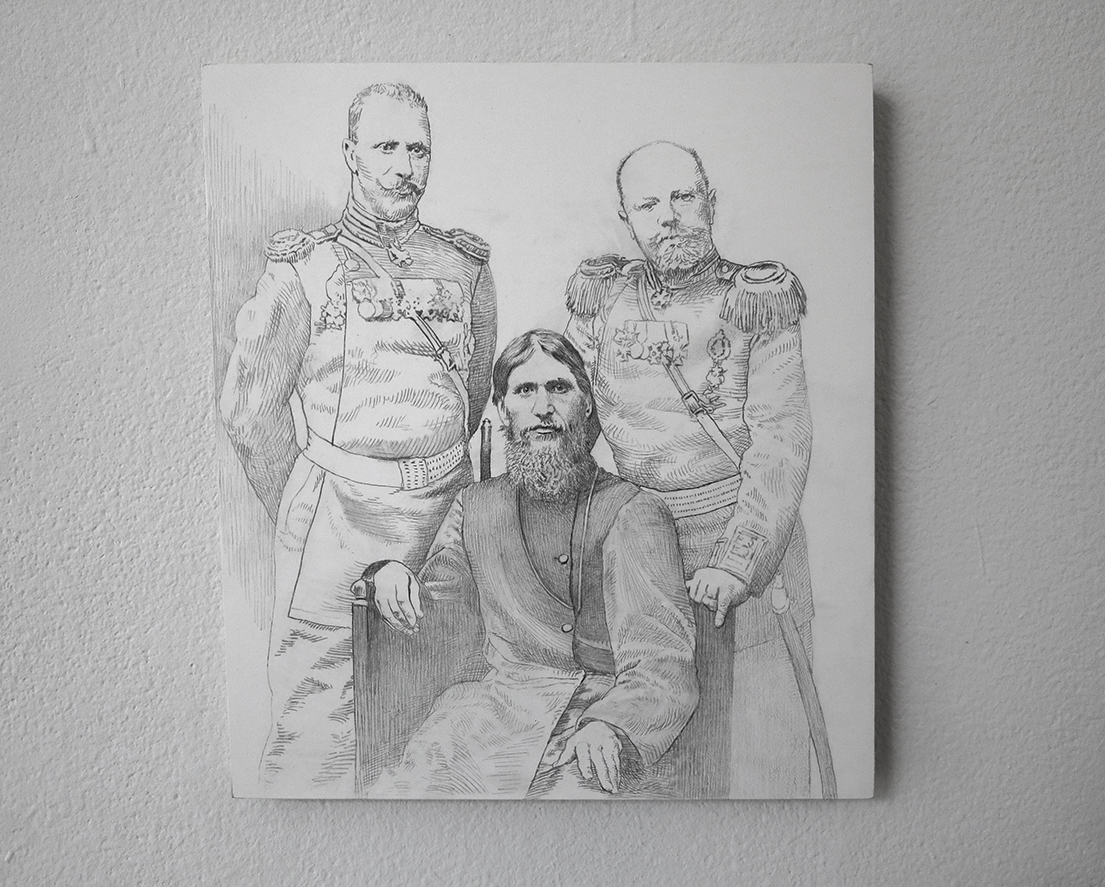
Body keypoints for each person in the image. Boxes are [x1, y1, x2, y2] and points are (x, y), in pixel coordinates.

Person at [220, 82, 497, 796]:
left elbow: (471, 395)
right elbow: (250, 412)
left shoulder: (465, 266)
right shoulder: (303, 266)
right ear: (350, 154)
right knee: (318, 729)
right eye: (386, 148)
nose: (405, 167)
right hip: (336, 519)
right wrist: (306, 509)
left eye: (418, 150)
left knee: (442, 706)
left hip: (447, 516)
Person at [564, 140, 815, 798]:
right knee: (658, 766)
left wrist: (737, 562)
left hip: (739, 541)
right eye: (649, 204)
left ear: (709, 201)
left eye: (682, 197)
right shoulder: (603, 298)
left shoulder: (756, 300)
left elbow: (779, 442)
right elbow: (574, 413)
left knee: (758, 764)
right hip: (637, 550)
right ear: (627, 218)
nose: (668, 216)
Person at [355, 330, 698, 799]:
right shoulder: (475, 506)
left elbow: (662, 660)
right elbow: (438, 614)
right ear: (502, 409)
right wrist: (386, 575)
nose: (542, 408)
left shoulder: (634, 510)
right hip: (487, 715)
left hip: (594, 719)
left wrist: (613, 725)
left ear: (587, 404)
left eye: (559, 388)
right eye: (524, 391)